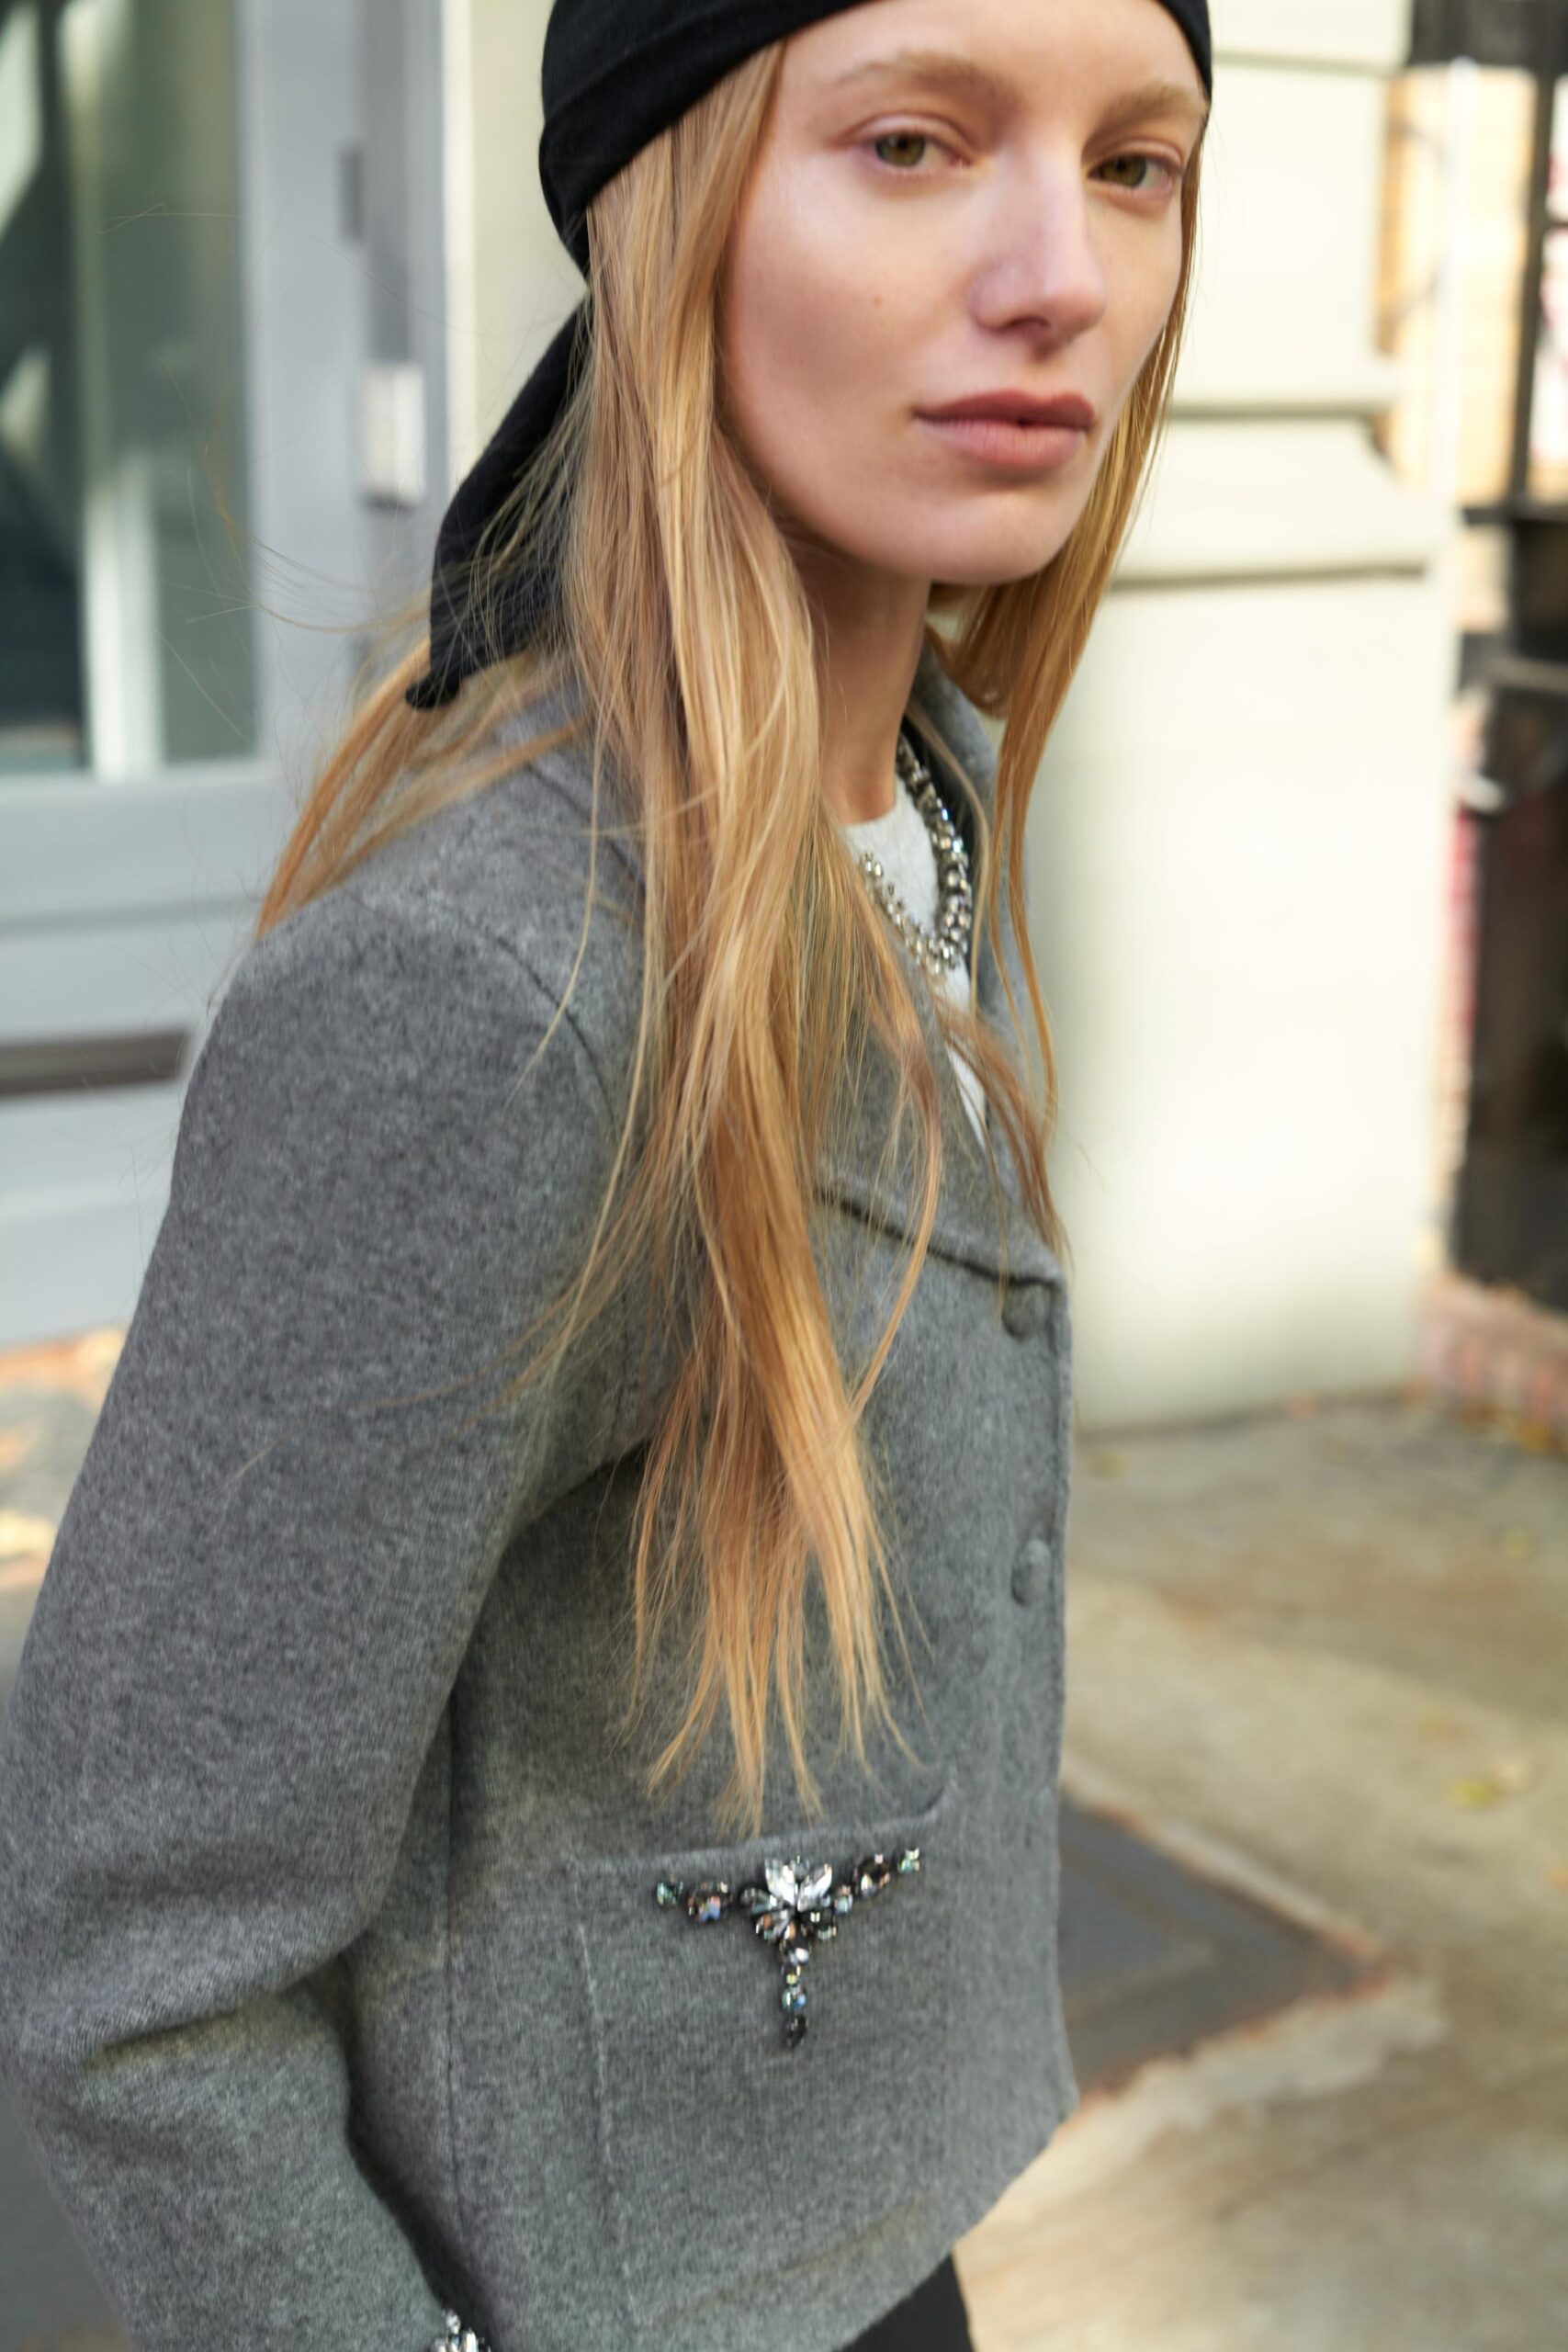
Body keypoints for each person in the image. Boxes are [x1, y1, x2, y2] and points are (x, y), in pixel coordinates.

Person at [0, 1, 1213, 2346]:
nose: (1060, 273)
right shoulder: (490, 1004)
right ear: (673, 210)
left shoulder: (923, 808)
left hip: (866, 2259)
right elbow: (134, 1977)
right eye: (911, 141)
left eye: (1132, 164)